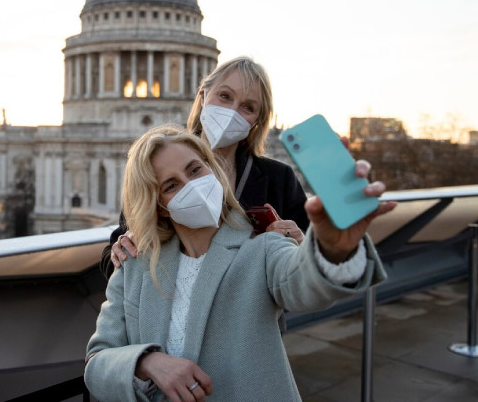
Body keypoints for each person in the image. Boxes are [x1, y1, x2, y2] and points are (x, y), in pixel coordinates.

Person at [85, 124, 394, 401]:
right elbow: (97, 362)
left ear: (212, 169)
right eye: (171, 185)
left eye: (195, 170)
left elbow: (304, 285)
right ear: (161, 206)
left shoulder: (263, 247)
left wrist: (333, 247)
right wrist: (147, 362)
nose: (190, 185)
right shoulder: (136, 265)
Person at [100, 56, 373, 279]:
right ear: (204, 95)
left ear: (256, 121)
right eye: (225, 96)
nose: (232, 112)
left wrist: (302, 243)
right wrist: (123, 247)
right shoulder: (155, 167)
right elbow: (115, 260)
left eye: (248, 107)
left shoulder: (278, 179)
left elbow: (313, 271)